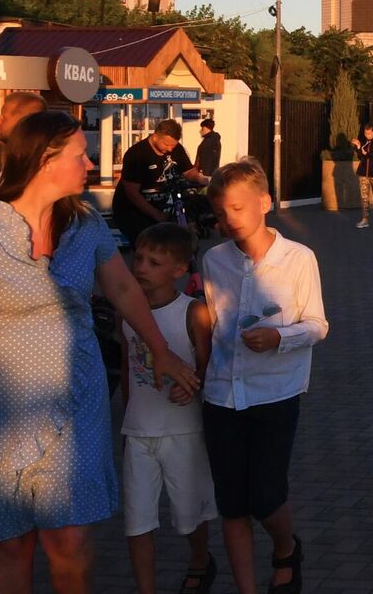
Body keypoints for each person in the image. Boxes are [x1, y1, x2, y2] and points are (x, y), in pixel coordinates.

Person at [0, 111, 201, 594]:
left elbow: (125, 291)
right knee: (10, 540)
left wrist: (163, 351)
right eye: (78, 155)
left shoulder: (84, 223)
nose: (89, 163)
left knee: (68, 540)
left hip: (77, 398)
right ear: (46, 161)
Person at [191, 159, 326, 594]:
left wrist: (280, 337)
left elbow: (318, 324)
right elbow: (212, 322)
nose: (228, 220)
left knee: (266, 497)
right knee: (231, 505)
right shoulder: (214, 260)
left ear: (265, 203)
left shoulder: (298, 258)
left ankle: (286, 547)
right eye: (221, 211)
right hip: (221, 396)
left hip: (275, 393)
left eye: (238, 208)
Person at [120, 224, 216, 594]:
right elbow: (129, 371)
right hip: (139, 431)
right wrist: (125, 427)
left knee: (190, 512)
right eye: (138, 258)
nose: (141, 267)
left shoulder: (193, 312)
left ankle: (200, 561)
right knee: (137, 520)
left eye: (154, 262)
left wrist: (195, 386)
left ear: (178, 270)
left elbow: (209, 366)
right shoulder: (125, 313)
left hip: (184, 430)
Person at [112, 120, 206, 244]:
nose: (170, 149)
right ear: (155, 136)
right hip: (133, 211)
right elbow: (132, 193)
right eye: (166, 144)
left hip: (161, 207)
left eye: (173, 145)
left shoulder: (176, 149)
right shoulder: (137, 154)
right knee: (147, 248)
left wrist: (204, 180)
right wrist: (157, 215)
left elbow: (188, 171)